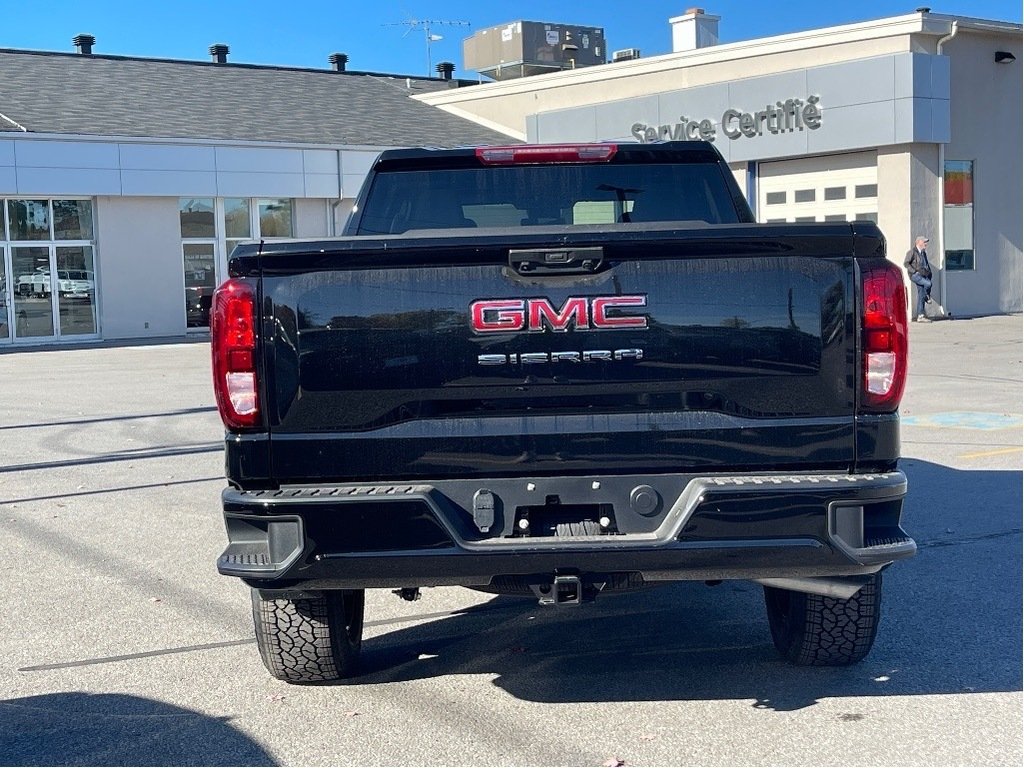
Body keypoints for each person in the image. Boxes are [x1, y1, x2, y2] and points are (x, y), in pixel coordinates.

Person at [905, 235, 934, 322]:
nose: (926, 244)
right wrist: (914, 271)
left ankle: (920, 315)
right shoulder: (912, 252)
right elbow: (906, 263)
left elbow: (926, 265)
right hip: (915, 275)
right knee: (928, 284)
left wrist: (929, 273)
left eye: (926, 242)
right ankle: (926, 296)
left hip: (923, 275)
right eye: (924, 242)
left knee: (921, 293)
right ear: (919, 242)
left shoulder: (923, 253)